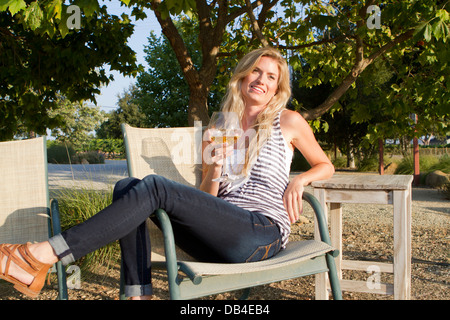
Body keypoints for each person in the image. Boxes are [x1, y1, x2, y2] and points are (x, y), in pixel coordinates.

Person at [0, 47, 334, 300]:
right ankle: (137, 293)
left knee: (156, 187)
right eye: (256, 72)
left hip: (260, 233)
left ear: (277, 88)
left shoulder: (288, 121)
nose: (261, 80)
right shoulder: (217, 129)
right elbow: (208, 199)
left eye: (271, 77)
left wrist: (299, 179)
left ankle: (41, 255)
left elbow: (326, 165)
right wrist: (215, 169)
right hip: (220, 237)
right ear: (243, 76)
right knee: (126, 185)